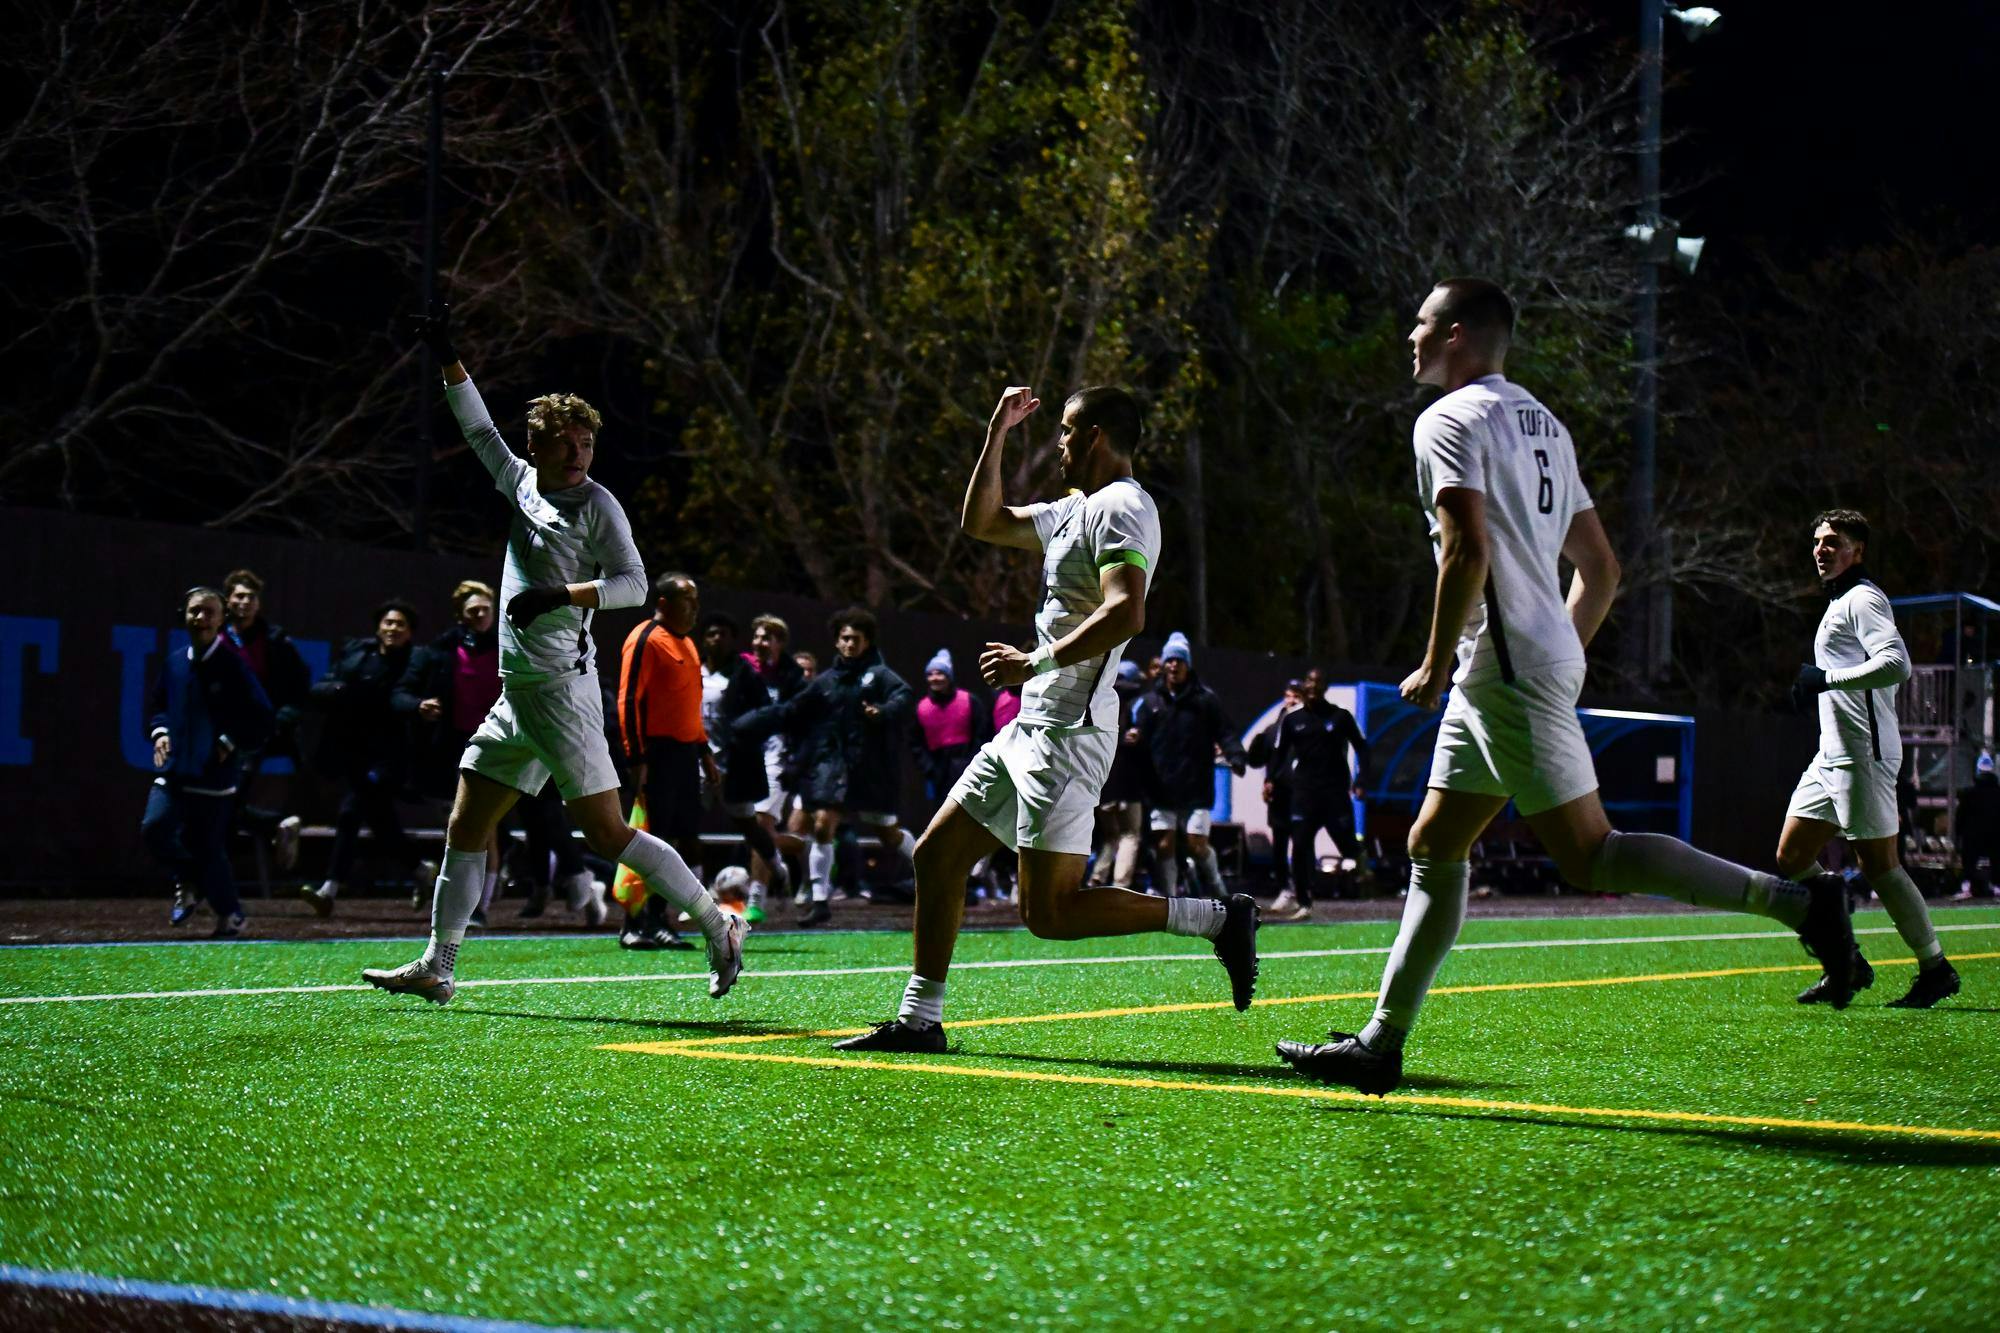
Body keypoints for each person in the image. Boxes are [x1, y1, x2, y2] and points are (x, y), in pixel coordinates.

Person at [1276, 277, 1857, 1095]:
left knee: (1591, 855)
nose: (1408, 336)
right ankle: (1381, 1040)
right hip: (1517, 661)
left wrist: (1439, 659)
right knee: (1434, 843)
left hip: (1501, 666)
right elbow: (1602, 569)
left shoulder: (1446, 418)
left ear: (1454, 335)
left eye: (1419, 322)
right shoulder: (1543, 420)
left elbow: (1465, 552)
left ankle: (1803, 906)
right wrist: (1556, 654)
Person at [831, 383, 1257, 1053]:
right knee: (938, 855)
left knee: (1050, 914)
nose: (1056, 442)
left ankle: (1216, 917)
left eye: (1063, 431)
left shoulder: (1123, 506)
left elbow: (1127, 610)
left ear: (1094, 436)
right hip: (1027, 727)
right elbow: (983, 520)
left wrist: (1036, 660)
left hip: (1070, 734)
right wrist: (995, 430)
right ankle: (920, 1019)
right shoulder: (1073, 509)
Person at [363, 302, 743, 1004]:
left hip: (563, 694)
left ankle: (718, 921)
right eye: (565, 443)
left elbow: (633, 584)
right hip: (519, 696)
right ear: (536, 445)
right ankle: (438, 965)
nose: (577, 454)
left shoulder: (599, 504)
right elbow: (477, 426)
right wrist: (449, 357)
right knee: (465, 823)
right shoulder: (520, 482)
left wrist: (561, 596)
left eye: (585, 444)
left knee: (607, 834)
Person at [1778, 510, 1957, 1008]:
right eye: (1817, 541)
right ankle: (1849, 960)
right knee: (1791, 858)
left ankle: (1935, 967)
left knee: (1880, 866)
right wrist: (1814, 688)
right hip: (1831, 755)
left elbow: (1897, 665)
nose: (1821, 549)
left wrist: (1826, 681)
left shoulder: (1863, 598)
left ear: (1858, 550)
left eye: (1833, 541)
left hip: (1864, 755)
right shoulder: (1839, 602)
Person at [736, 608, 917, 926]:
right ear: (836, 642)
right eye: (844, 638)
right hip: (833, 770)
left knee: (887, 834)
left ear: (867, 641)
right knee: (821, 824)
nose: (849, 644)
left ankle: (929, 866)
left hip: (870, 772)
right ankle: (819, 900)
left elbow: (904, 697)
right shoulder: (826, 682)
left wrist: (883, 711)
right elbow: (792, 709)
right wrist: (755, 723)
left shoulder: (880, 675)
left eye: (855, 639)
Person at [145, 587, 274, 937]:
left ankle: (231, 914)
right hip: (173, 771)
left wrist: (229, 741)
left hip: (214, 776)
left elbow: (261, 717)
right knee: (154, 827)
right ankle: (189, 879)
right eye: (194, 611)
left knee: (208, 848)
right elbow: (158, 706)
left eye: (208, 612)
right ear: (184, 616)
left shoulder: (232, 665)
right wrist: (160, 733)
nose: (200, 618)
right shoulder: (174, 662)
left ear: (221, 620)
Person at [302, 600, 433, 915]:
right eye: (388, 623)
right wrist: (337, 691)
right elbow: (324, 688)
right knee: (381, 823)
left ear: (410, 632)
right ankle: (420, 870)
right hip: (356, 752)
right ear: (378, 628)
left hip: (391, 757)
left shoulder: (416, 661)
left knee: (351, 812)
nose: (393, 629)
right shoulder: (358, 655)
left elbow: (402, 697)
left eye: (400, 624)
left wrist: (416, 706)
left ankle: (329, 889)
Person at [615, 572, 717, 949]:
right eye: (687, 600)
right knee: (651, 839)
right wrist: (636, 757)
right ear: (663, 603)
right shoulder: (645, 639)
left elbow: (689, 708)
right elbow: (628, 700)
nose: (694, 609)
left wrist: (704, 753)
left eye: (696, 601)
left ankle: (660, 917)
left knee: (683, 838)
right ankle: (634, 922)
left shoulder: (688, 644)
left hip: (685, 755)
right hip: (655, 753)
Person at [395, 580, 506, 922]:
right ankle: (457, 902)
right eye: (473, 611)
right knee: (459, 826)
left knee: (487, 827)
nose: (480, 615)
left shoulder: (509, 645)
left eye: (486, 609)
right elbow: (406, 691)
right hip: (456, 746)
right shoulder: (442, 650)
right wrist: (420, 705)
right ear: (461, 615)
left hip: (501, 743)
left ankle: (481, 906)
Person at [1132, 631, 1247, 899]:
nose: (1174, 665)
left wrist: (1237, 755)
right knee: (1164, 844)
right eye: (1169, 660)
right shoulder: (1150, 703)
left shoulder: (1205, 701)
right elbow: (1137, 733)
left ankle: (1218, 889)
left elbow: (1225, 732)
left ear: (1188, 664)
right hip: (1161, 788)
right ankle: (1170, 899)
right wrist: (1134, 737)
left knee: (1197, 845)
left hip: (1196, 787)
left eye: (1179, 661)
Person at [701, 609, 796, 923]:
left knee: (759, 821)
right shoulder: (726, 667)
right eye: (757, 636)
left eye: (768, 637)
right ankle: (694, 896)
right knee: (684, 822)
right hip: (710, 755)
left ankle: (759, 893)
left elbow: (790, 716)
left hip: (766, 756)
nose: (760, 642)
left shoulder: (788, 676)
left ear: (780, 643)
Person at [221, 568, 311, 871]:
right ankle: (277, 826)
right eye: (239, 596)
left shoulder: (275, 640)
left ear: (258, 604)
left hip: (255, 731)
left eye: (250, 597)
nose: (244, 602)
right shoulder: (215, 636)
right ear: (228, 600)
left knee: (228, 794)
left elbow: (301, 683)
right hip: (216, 729)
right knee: (217, 801)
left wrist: (284, 716)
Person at [1269, 674, 1371, 919]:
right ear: (1304, 687)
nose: (1313, 686)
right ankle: (1304, 902)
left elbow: (1362, 747)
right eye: (1309, 682)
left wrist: (1362, 780)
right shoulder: (1293, 720)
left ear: (1324, 688)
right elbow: (1279, 753)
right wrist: (1270, 780)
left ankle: (1363, 865)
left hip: (1335, 792)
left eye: (1318, 683)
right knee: (1301, 845)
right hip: (1304, 792)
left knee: (1347, 845)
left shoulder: (1340, 716)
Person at [1086, 659, 1150, 892]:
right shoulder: (1137, 703)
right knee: (1130, 835)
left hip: (1104, 782)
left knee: (1110, 836)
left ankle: (1097, 876)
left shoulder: (1098, 700)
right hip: (1128, 782)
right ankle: (1120, 884)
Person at [1247, 680, 1305, 898]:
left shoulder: (1309, 727)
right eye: (1289, 696)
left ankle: (1302, 889)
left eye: (1296, 697)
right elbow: (1258, 759)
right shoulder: (1273, 729)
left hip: (1302, 793)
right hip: (1280, 795)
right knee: (1280, 843)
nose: (1291, 701)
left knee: (1301, 842)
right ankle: (1284, 888)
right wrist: (1268, 781)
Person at [1956, 753, 2000, 900]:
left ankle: (1966, 887)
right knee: (1997, 860)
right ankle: (1997, 888)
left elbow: (1960, 816)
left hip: (1972, 834)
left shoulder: (1968, 793)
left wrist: (1958, 834)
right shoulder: (1997, 793)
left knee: (1969, 860)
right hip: (1995, 833)